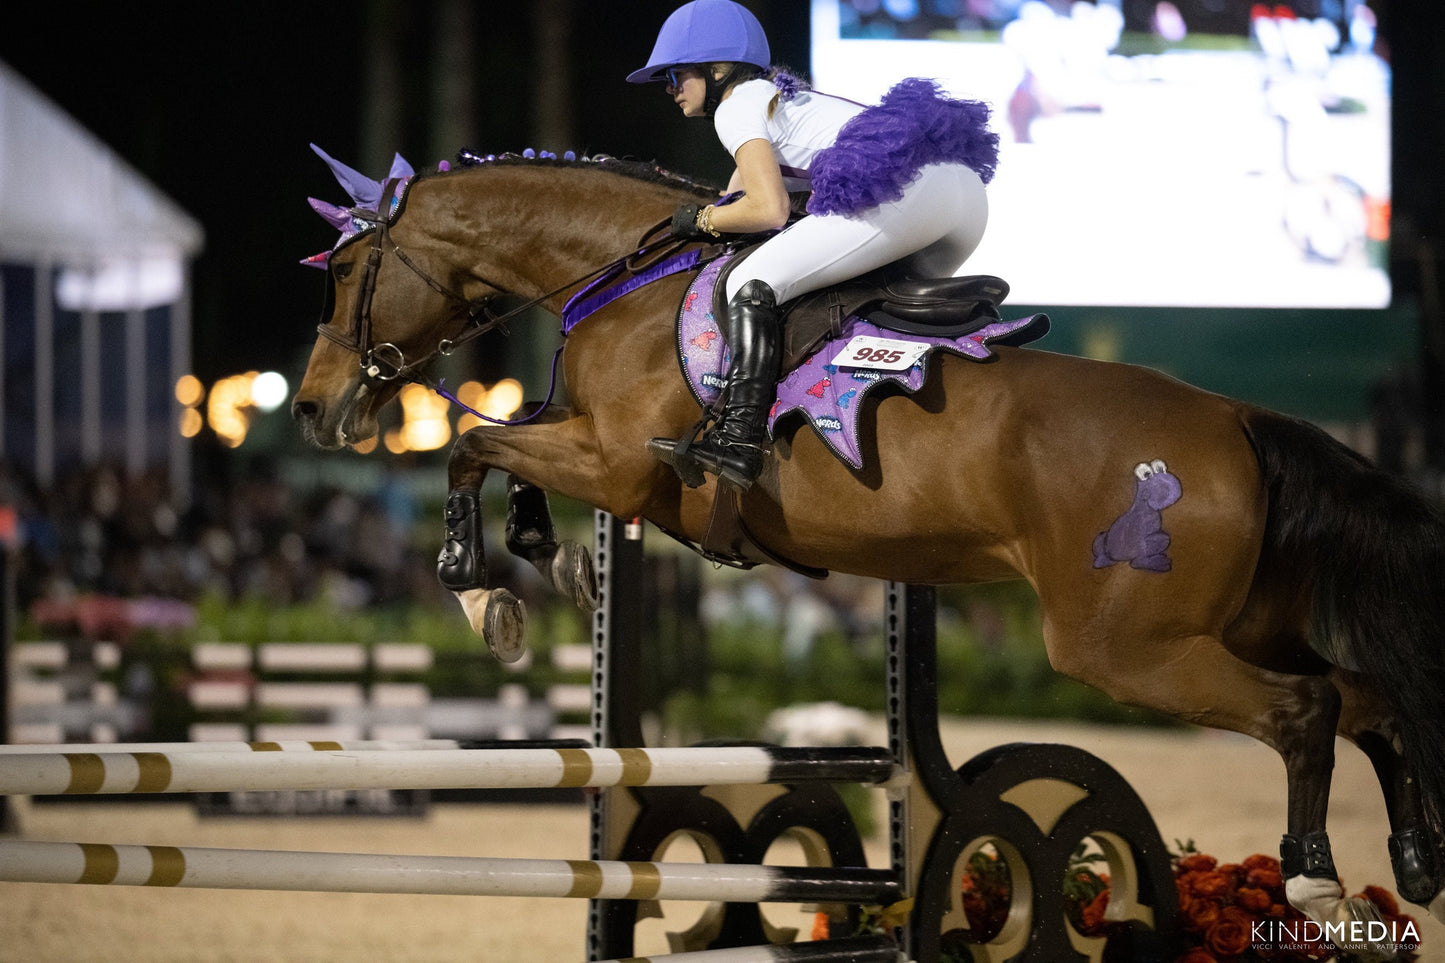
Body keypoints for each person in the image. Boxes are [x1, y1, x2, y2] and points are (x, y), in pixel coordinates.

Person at [629, 0, 999, 490]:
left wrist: (697, 219)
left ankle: (738, 441)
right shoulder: (773, 99)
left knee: (749, 279)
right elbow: (738, 197)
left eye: (676, 74)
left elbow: (766, 209)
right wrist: (716, 213)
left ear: (717, 70)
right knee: (860, 303)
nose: (671, 89)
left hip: (913, 192)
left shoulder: (736, 107)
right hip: (964, 199)